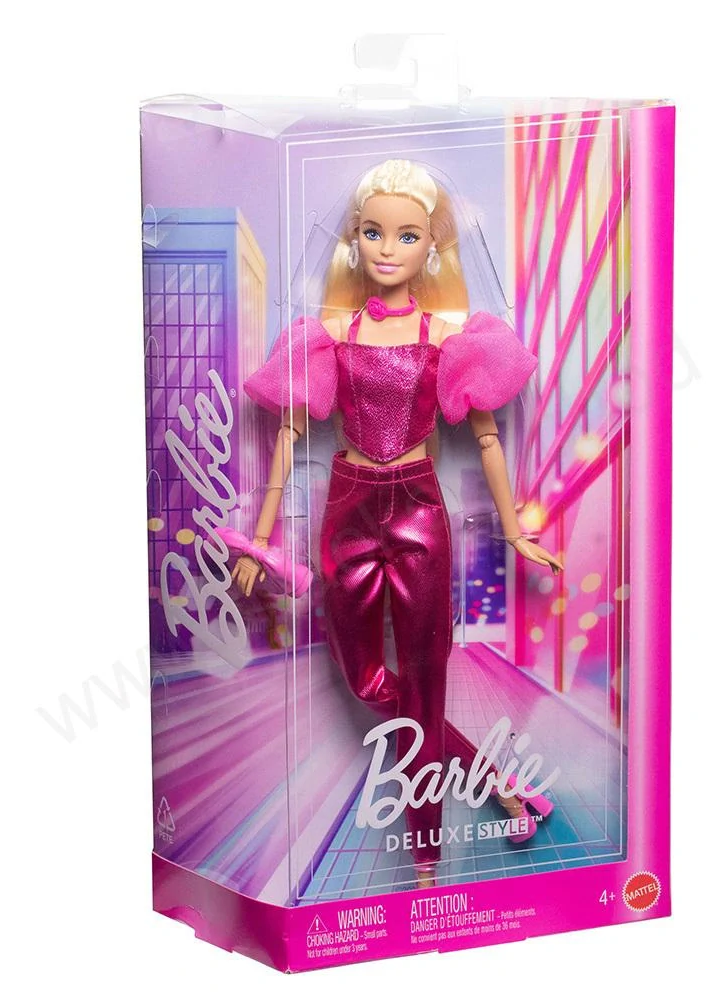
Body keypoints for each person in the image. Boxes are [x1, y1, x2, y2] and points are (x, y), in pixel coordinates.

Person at [236, 159, 563, 889]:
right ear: (355, 238)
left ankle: (425, 859)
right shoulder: (327, 334)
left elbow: (486, 438)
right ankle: (500, 782)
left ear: (431, 246)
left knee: (425, 675)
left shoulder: (451, 337)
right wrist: (257, 541)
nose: (389, 248)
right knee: (365, 677)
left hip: (418, 506)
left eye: (407, 235)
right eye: (375, 232)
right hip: (348, 507)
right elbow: (289, 434)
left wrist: (516, 532)